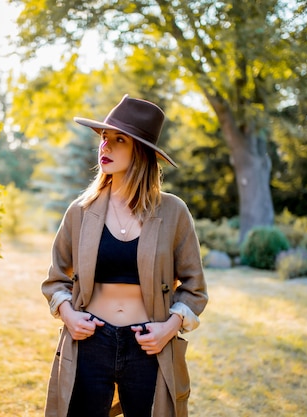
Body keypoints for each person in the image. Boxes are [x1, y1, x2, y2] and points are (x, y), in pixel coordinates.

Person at [42, 94, 208, 417]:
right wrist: (69, 316)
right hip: (90, 342)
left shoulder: (173, 212)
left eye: (119, 140)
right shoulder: (81, 211)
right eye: (105, 138)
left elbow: (194, 286)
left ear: (141, 152)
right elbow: (55, 279)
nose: (105, 146)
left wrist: (169, 329)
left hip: (149, 344)